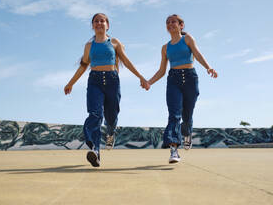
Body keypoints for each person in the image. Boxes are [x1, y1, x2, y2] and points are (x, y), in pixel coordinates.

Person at [64, 13, 149, 167]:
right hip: (94, 81)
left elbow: (127, 62)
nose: (99, 23)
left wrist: (141, 77)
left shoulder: (114, 43)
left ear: (107, 25)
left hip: (112, 81)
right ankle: (95, 150)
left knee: (112, 115)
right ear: (92, 26)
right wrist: (71, 83)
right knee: (95, 114)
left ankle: (111, 132)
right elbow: (83, 66)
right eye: (96, 21)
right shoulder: (89, 46)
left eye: (102, 21)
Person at [147, 14, 218, 164]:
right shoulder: (165, 48)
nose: (170, 24)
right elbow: (161, 71)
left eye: (173, 22)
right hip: (173, 80)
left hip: (190, 78)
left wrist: (208, 67)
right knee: (174, 114)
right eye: (168, 22)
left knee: (187, 115)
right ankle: (174, 150)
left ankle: (187, 134)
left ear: (181, 25)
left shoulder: (187, 39)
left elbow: (197, 54)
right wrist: (149, 82)